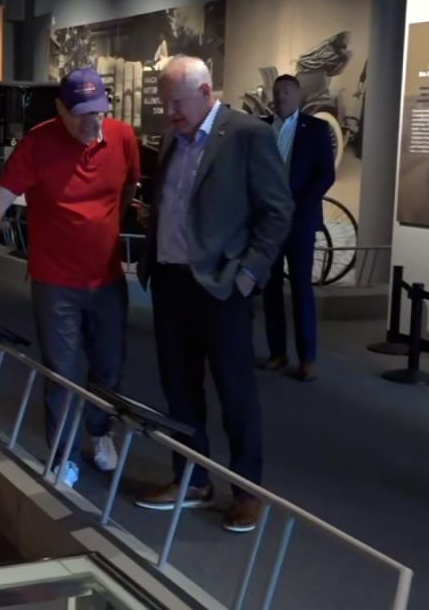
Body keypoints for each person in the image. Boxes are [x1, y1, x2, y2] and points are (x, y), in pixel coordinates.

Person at [0, 67, 140, 487]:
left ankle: (100, 431)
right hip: (56, 283)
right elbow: (0, 194)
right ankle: (63, 454)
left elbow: (127, 188)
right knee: (61, 371)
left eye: (99, 112)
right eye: (81, 114)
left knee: (109, 368)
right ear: (59, 109)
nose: (92, 123)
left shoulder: (123, 137)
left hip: (106, 279)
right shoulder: (38, 144)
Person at [134, 56, 292, 533]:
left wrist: (246, 277)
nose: (168, 112)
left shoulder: (247, 136)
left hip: (222, 289)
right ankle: (192, 481)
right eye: (163, 103)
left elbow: (278, 212)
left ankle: (247, 492)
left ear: (205, 94)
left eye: (176, 102)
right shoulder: (171, 139)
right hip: (171, 283)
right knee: (178, 390)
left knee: (235, 393)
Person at [259, 74, 336, 382]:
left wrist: (297, 205)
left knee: (302, 290)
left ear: (298, 95)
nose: (281, 97)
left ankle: (308, 359)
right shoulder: (262, 128)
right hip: (267, 223)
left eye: (287, 92)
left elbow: (325, 175)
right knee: (271, 290)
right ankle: (277, 353)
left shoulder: (316, 130)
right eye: (277, 92)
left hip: (300, 222)